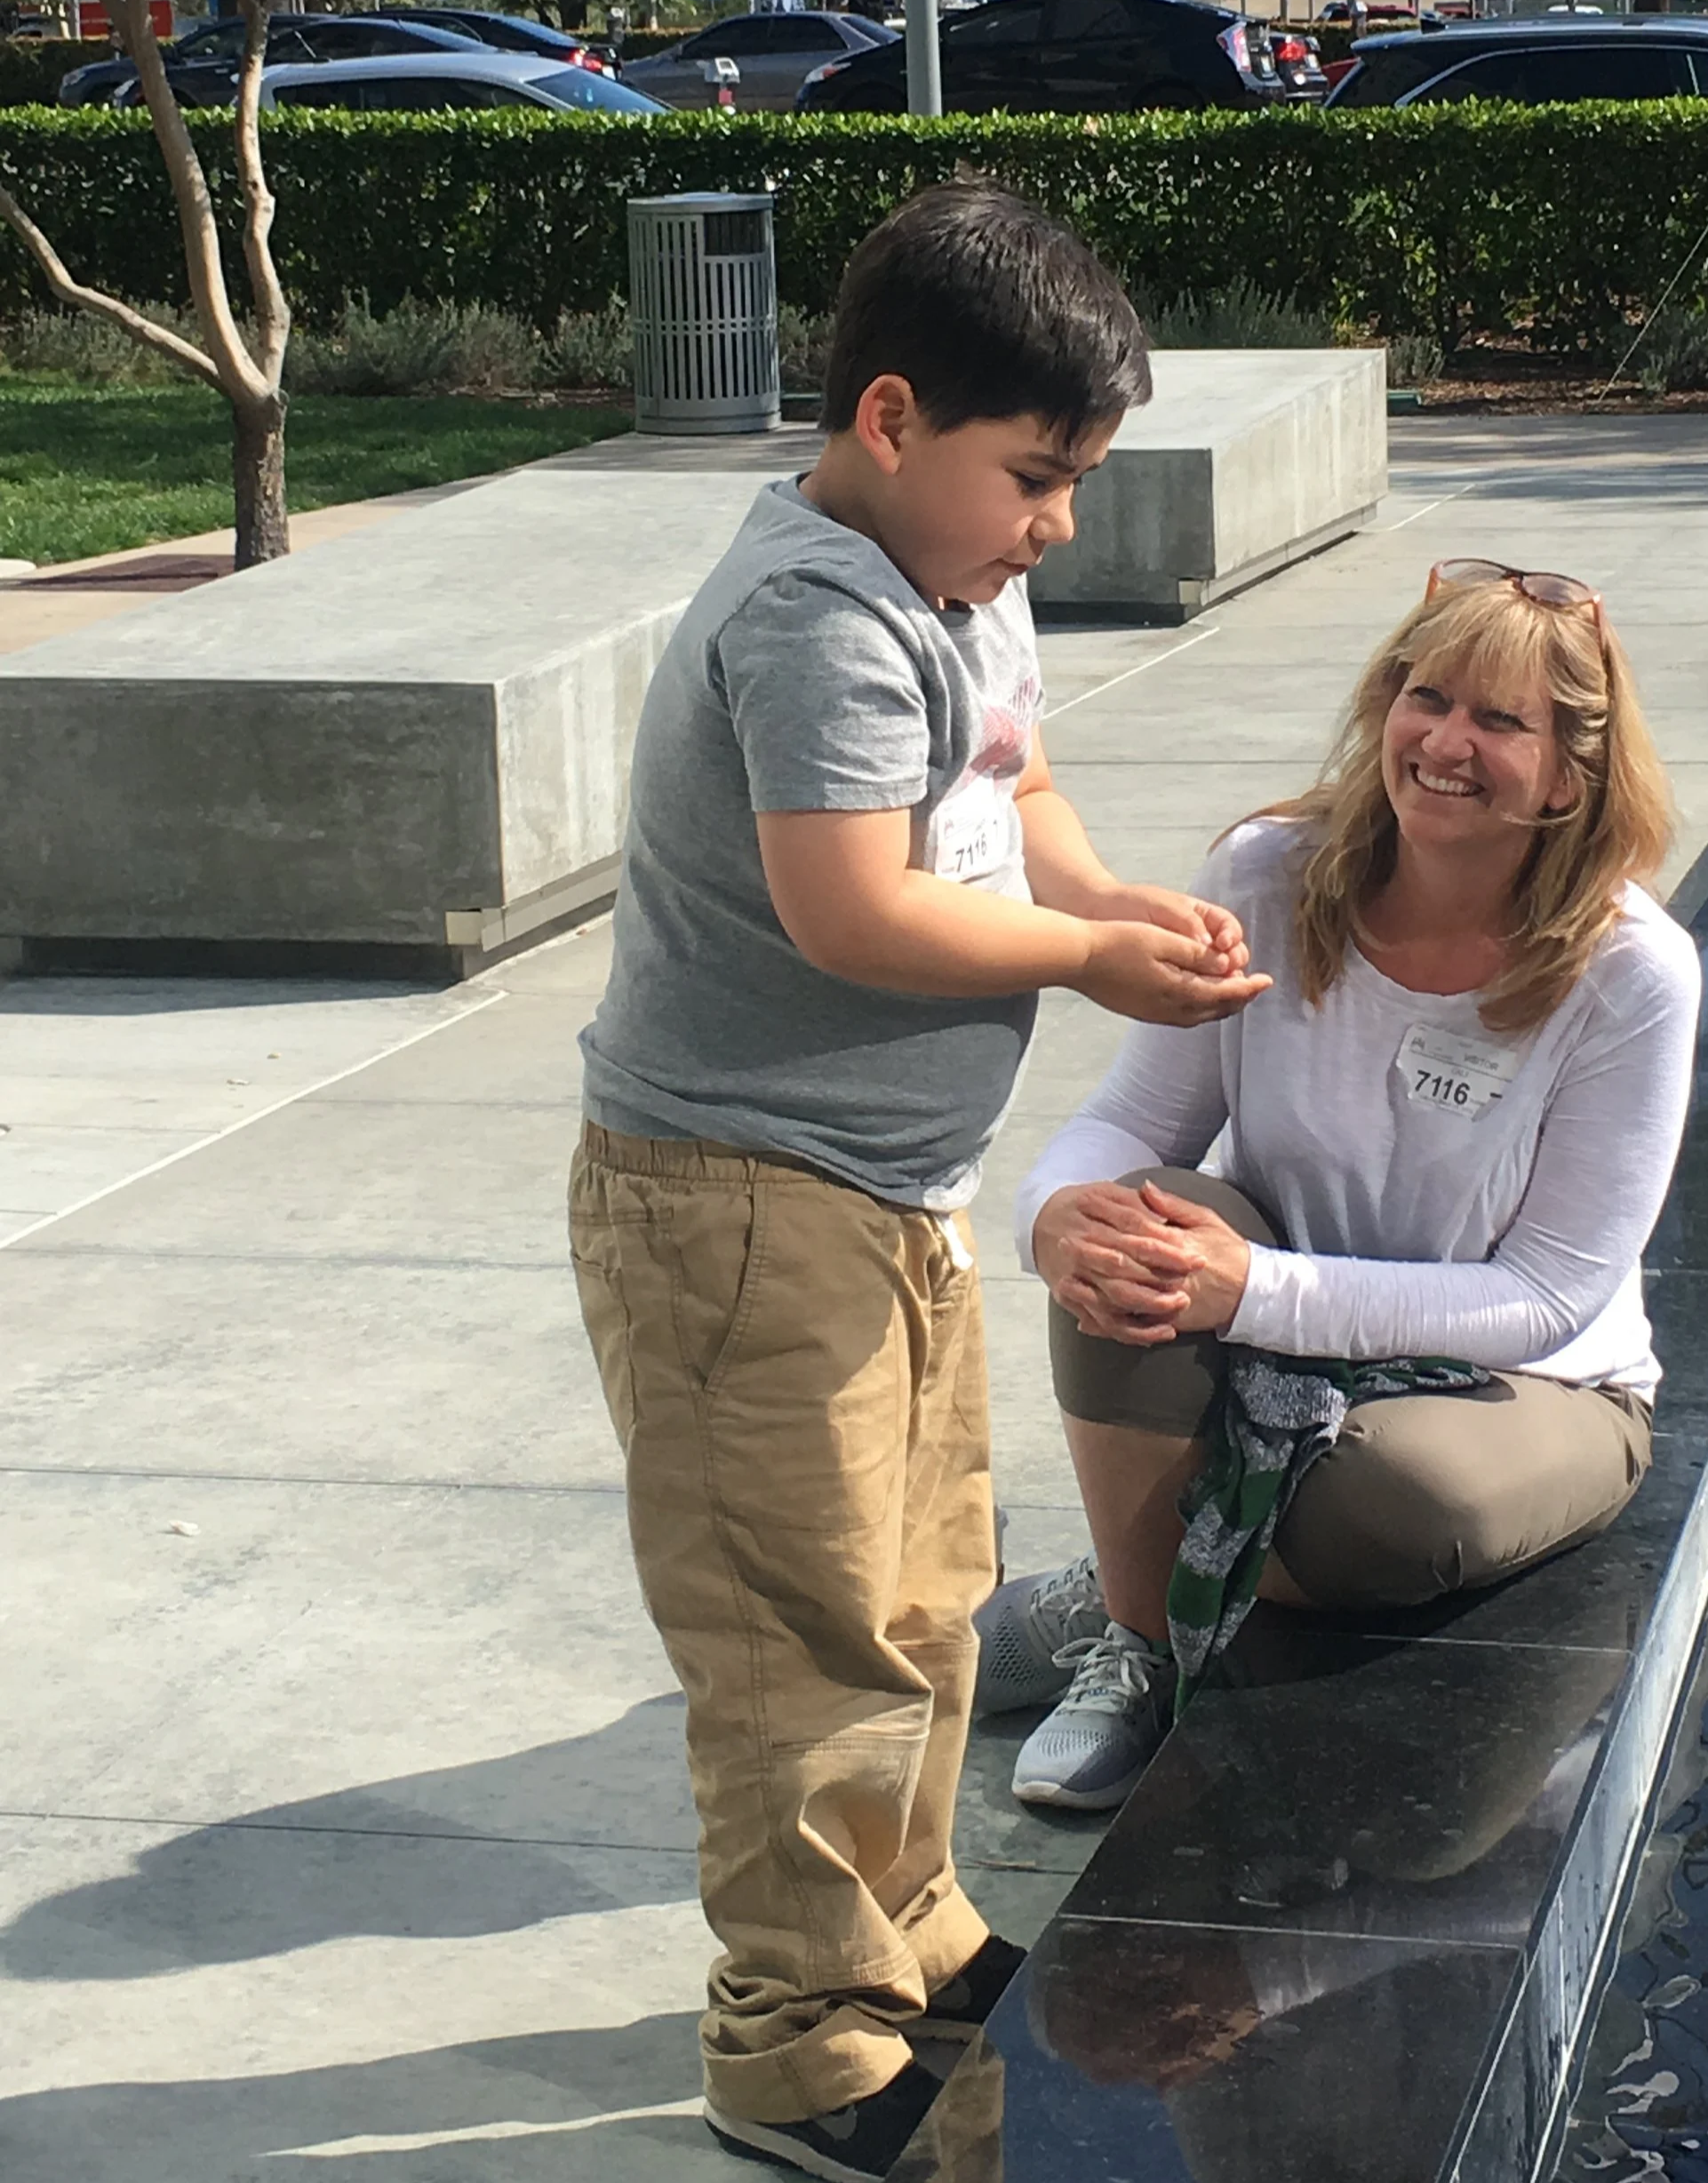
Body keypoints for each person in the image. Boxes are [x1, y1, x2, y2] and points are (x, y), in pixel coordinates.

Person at [566, 181, 1269, 2183]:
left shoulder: (956, 582)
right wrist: (1086, 962)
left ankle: (907, 1928)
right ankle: (794, 2044)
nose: (1058, 521)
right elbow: (851, 906)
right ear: (888, 420)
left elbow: (1011, 783)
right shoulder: (814, 616)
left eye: (1075, 482)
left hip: (882, 1198)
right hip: (734, 1204)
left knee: (920, 1596)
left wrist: (1110, 891)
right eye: (1034, 477)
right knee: (799, 1640)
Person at [979, 557, 1699, 1811]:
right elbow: (1130, 1119)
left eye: (1499, 720)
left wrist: (1250, 1289)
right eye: (1428, 698)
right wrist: (1055, 1220)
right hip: (1275, 1342)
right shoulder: (1268, 874)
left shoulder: (1631, 974)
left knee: (1393, 1507)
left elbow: (1545, 1295)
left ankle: (1121, 1578)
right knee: (1134, 1226)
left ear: (1572, 772)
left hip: (1523, 1379)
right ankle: (1143, 1650)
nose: (1446, 742)